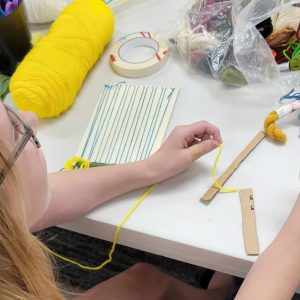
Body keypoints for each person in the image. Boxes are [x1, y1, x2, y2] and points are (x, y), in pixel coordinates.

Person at [0, 101, 238, 300]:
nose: (31, 119)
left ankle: (216, 295)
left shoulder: (9, 214)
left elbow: (45, 197)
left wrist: (151, 167)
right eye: (15, 131)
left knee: (144, 282)